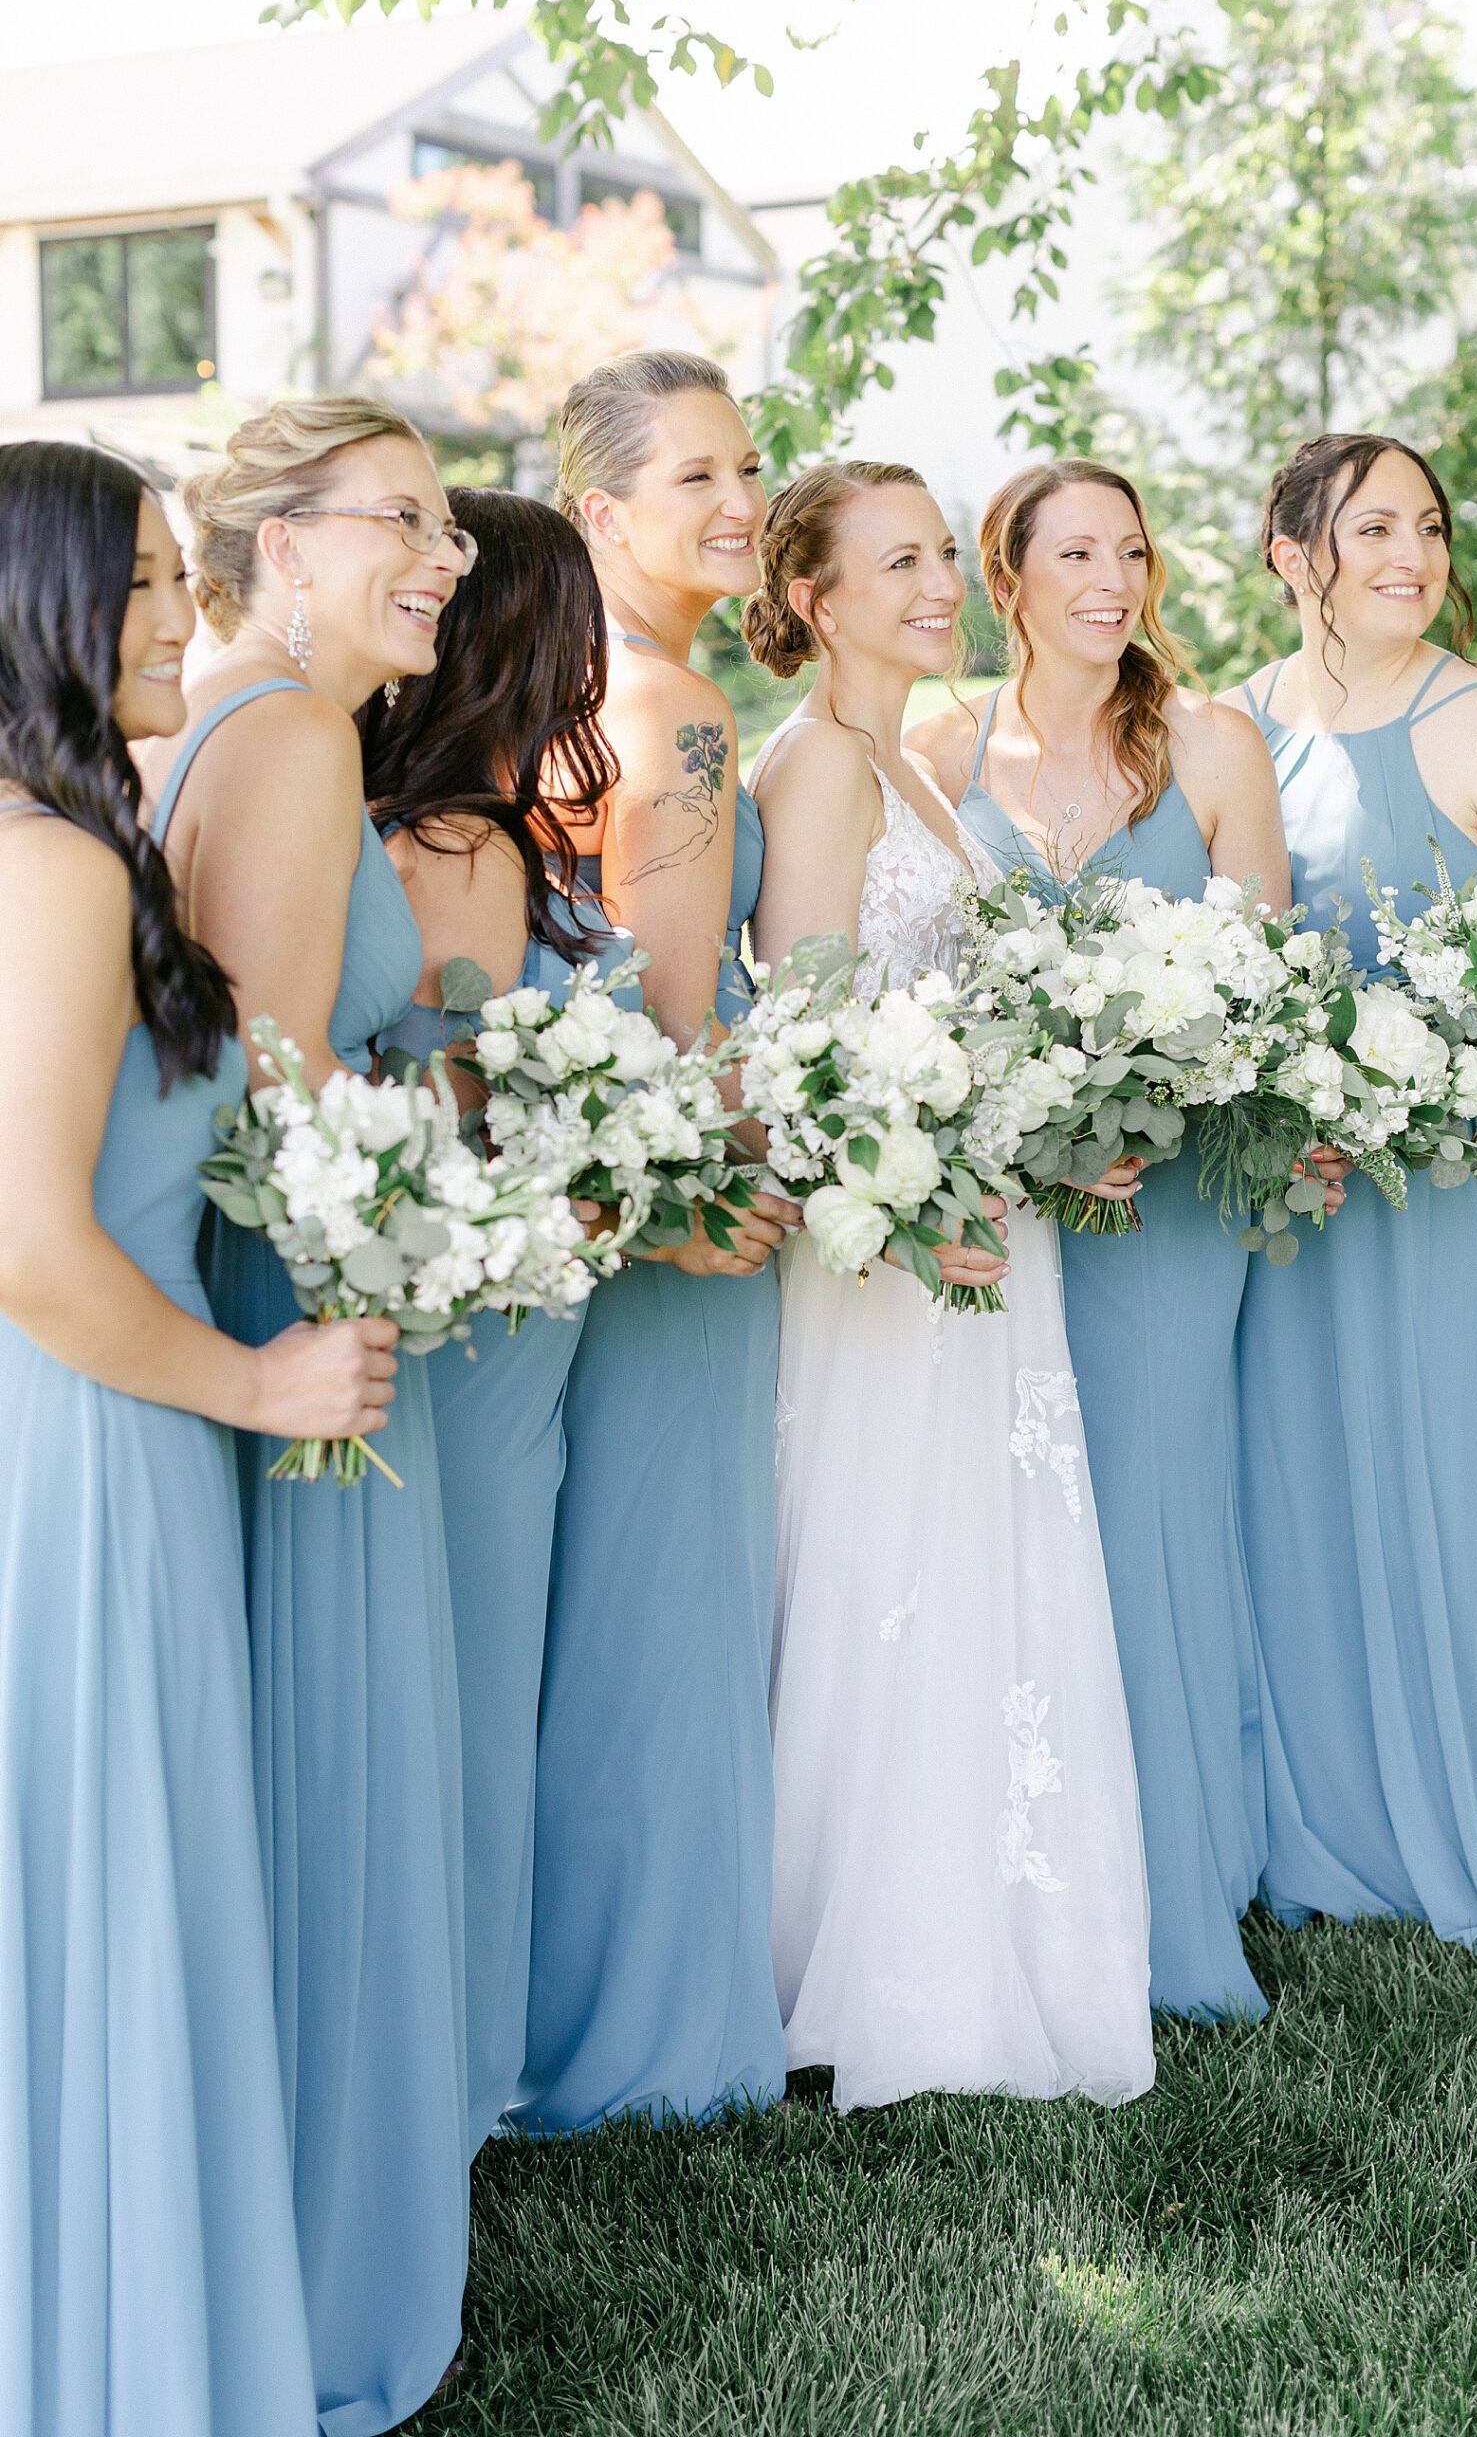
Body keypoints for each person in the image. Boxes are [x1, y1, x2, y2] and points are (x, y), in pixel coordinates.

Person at [0, 440, 393, 2437]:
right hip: (92, 1446)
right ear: (50, 608)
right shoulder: (51, 867)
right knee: (101, 1906)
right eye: (147, 579)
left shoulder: (61, 841)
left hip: (82, 1437)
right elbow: (28, 1240)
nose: (182, 608)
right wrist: (258, 1383)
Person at [138, 397, 475, 2434]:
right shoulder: (277, 739)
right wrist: (445, 1191)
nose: (442, 555)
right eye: (406, 522)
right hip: (305, 1319)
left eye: (444, 522)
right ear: (278, 538)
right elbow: (277, 1115)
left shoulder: (258, 723)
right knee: (327, 1755)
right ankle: (323, 2257)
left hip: (318, 1297)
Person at [747, 458, 1154, 2111]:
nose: (935, 582)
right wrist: (919, 1203)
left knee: (981, 1555)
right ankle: (878, 1959)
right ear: (813, 601)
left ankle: (998, 1928)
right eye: (895, 559)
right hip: (903, 1249)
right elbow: (810, 1049)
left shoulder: (908, 764)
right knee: (893, 1558)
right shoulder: (819, 772)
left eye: (939, 554)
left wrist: (1047, 1137)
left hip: (981, 1216)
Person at [1222, 430, 1477, 1975]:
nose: (1413, 554)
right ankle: (1317, 1820)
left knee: (1459, 1484)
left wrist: (1419, 1100)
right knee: (1299, 1487)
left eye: (1430, 528)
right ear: (1291, 553)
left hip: (1465, 1183)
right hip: (1295, 1190)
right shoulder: (1230, 723)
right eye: (1371, 526)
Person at [912, 457, 1290, 2023]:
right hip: (1010, 1203)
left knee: (1147, 1511)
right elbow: (910, 977)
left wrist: (1154, 1102)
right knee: (1011, 1528)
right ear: (1005, 577)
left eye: (1129, 551)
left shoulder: (1210, 741)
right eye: (1073, 553)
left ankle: (1179, 1895)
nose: (1112, 580)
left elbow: (1266, 977)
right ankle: (1027, 1890)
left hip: (1169, 1201)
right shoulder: (935, 745)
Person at [514, 350, 794, 2133]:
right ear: (601, 512)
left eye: (747, 468)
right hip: (671, 1214)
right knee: (664, 1608)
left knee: (577, 1605)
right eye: (695, 477)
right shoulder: (680, 713)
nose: (739, 503)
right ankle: (656, 2034)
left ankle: (556, 1996)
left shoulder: (530, 702)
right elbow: (681, 1019)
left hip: (561, 1207)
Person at [362, 485, 622, 2145]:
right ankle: (447, 2074)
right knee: (466, 1681)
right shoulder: (457, 845)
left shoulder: (455, 824)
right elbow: (463, 1106)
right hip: (487, 1328)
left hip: (510, 1321)